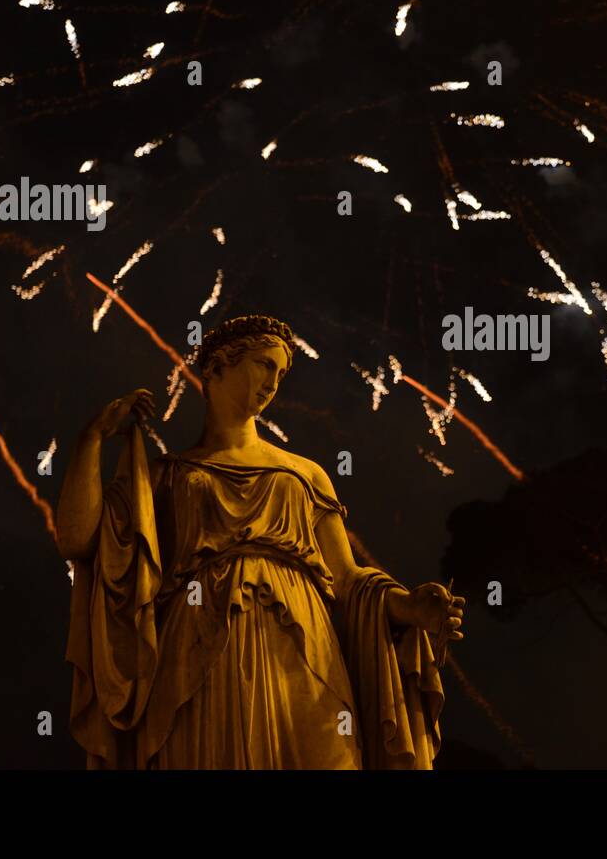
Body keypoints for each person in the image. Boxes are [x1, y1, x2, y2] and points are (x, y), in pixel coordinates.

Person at [54, 314, 464, 768]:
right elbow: (77, 540)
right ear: (216, 368)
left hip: (305, 644)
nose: (273, 382)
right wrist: (91, 439)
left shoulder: (306, 474)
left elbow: (347, 578)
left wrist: (407, 608)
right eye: (264, 365)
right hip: (196, 648)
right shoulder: (164, 476)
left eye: (281, 372)